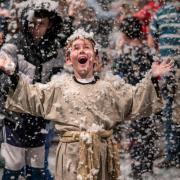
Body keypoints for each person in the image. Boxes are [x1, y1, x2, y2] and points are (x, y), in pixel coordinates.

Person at [0, 28, 172, 180]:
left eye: (86, 47)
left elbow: (135, 100)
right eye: (76, 48)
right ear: (68, 59)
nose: (82, 50)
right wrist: (13, 75)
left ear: (95, 58)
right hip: (70, 156)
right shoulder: (58, 88)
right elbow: (31, 95)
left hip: (101, 155)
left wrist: (152, 78)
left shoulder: (110, 87)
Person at [0, 0, 70, 179]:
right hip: (14, 116)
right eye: (33, 22)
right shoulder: (12, 47)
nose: (37, 27)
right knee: (13, 166)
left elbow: (59, 80)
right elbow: (3, 83)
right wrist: (15, 80)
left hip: (40, 117)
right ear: (26, 22)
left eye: (42, 23)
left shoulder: (54, 49)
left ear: (50, 24)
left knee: (37, 167)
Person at [112, 16, 159, 179]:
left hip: (132, 102)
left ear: (124, 34)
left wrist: (118, 51)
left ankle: (138, 168)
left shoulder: (124, 54)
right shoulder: (149, 51)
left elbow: (116, 77)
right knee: (148, 134)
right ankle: (147, 167)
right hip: (149, 101)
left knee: (135, 135)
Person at [148, 0, 180, 168]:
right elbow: (151, 40)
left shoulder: (160, 12)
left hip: (170, 69)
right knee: (169, 113)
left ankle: (172, 154)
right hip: (169, 71)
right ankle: (172, 153)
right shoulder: (161, 12)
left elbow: (151, 40)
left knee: (170, 113)